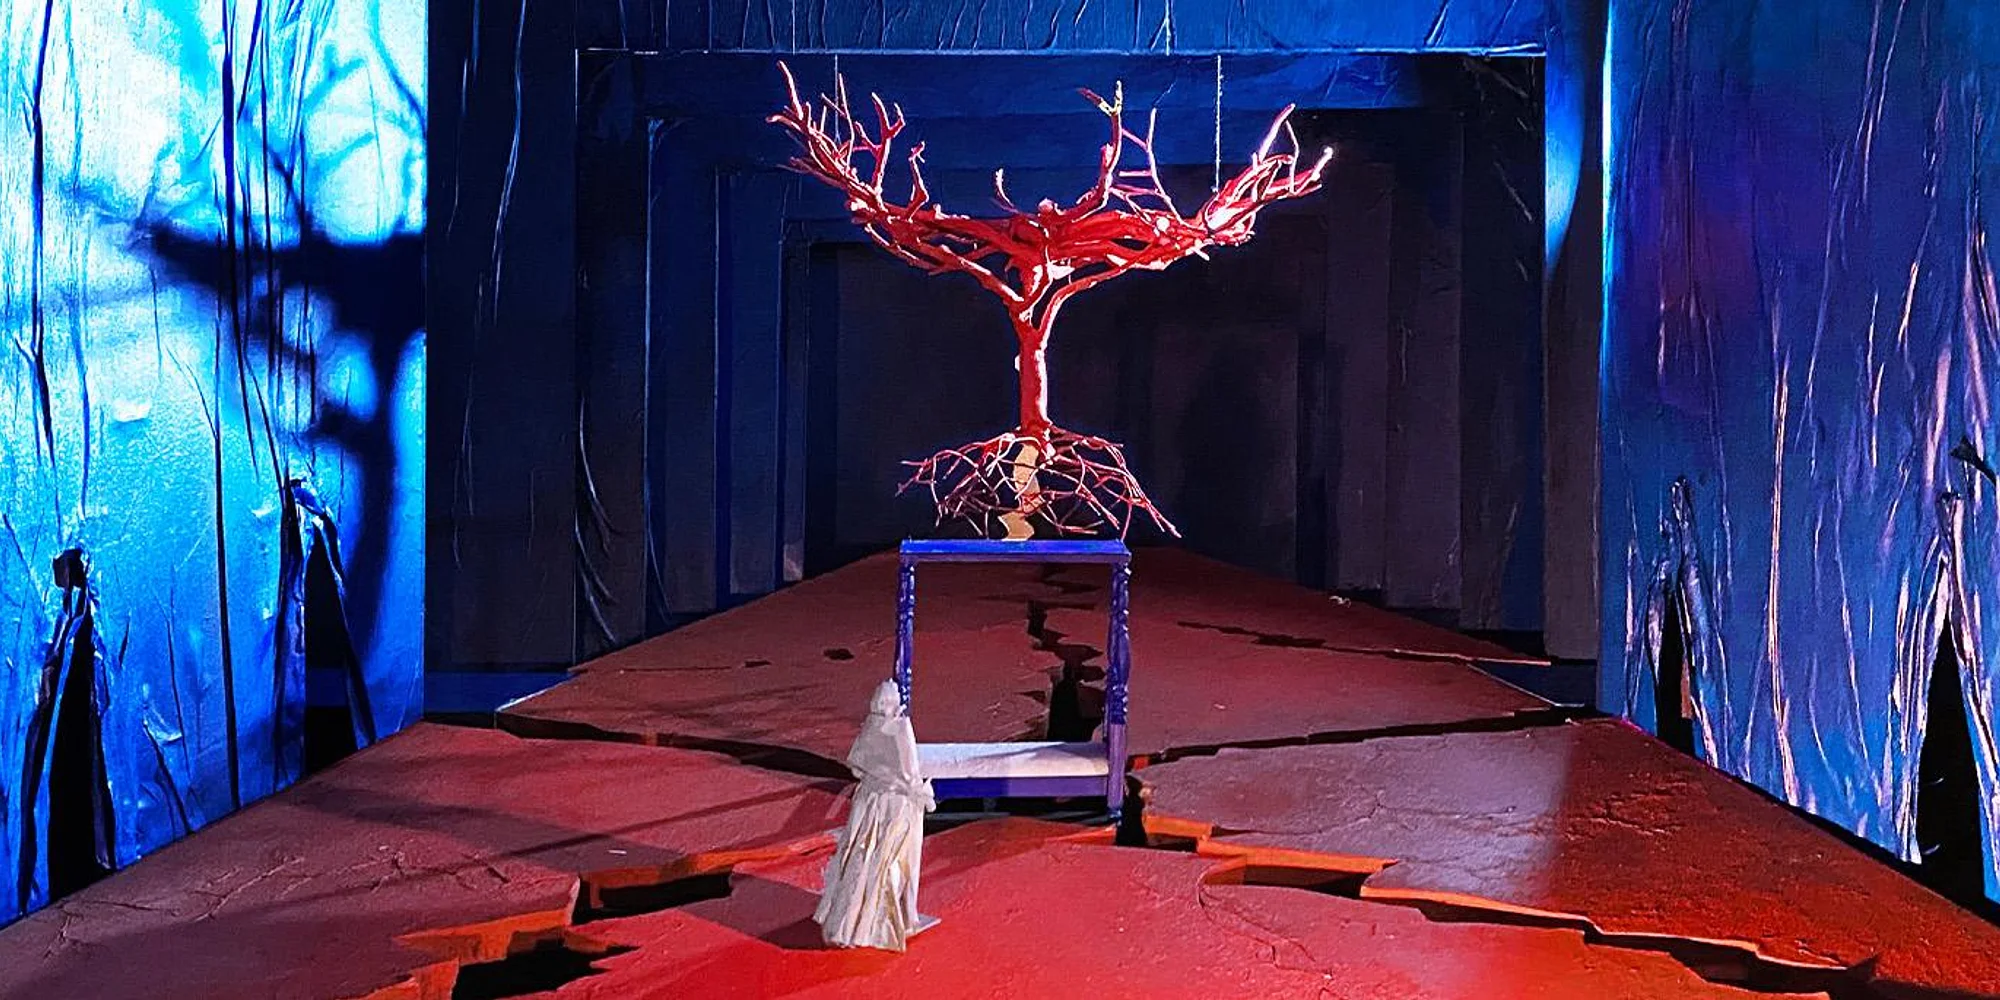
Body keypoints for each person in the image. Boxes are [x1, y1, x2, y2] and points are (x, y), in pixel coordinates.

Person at [814, 680, 938, 950]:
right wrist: (923, 797)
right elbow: (910, 774)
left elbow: (856, 766)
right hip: (895, 805)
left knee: (864, 853)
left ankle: (851, 919)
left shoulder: (870, 726)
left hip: (870, 801)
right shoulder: (900, 729)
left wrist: (879, 778)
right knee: (895, 860)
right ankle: (890, 920)